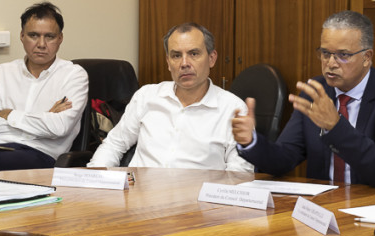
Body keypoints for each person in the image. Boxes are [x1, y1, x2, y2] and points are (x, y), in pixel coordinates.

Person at [232, 10, 375, 188]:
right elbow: (283, 159)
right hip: (325, 206)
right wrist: (251, 141)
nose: (331, 63)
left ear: (367, 57)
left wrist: (336, 127)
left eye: (343, 55)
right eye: (325, 53)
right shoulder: (316, 92)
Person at [88, 22, 252, 172]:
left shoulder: (232, 108)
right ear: (168, 62)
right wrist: (94, 178)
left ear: (212, 58)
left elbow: (240, 172)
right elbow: (114, 144)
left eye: (194, 54)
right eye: (176, 55)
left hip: (197, 201)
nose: (184, 63)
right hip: (138, 196)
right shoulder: (147, 96)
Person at [0, 2, 88, 173]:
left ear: (60, 38)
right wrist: (46, 117)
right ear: (22, 36)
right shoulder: (2, 73)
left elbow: (59, 128)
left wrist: (9, 114)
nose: (41, 44)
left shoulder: (74, 75)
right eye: (33, 35)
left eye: (49, 36)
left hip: (41, 156)